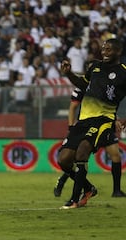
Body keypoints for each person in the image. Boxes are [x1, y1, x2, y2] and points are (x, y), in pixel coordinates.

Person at [59, 38, 126, 209]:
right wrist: (69, 74)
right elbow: (83, 84)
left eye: (109, 49)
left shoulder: (124, 72)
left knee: (82, 152)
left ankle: (74, 200)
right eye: (103, 49)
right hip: (84, 119)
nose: (104, 52)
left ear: (118, 52)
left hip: (104, 119)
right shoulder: (94, 66)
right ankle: (88, 188)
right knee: (64, 160)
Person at [55, 87, 126, 199]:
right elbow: (73, 107)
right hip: (86, 127)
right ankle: (65, 181)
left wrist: (115, 119)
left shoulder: (106, 84)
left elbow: (107, 106)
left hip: (105, 125)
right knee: (77, 158)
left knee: (115, 155)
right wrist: (71, 128)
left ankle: (116, 190)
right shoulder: (82, 86)